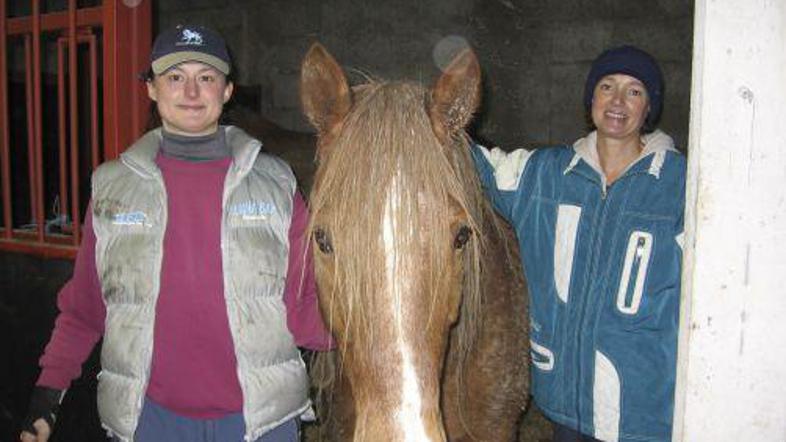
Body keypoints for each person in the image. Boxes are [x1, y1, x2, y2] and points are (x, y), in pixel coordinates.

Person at [20, 24, 332, 442]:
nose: (191, 91)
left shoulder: (276, 184)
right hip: (150, 420)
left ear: (227, 90)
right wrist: (47, 394)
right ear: (151, 88)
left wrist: (371, 329)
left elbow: (307, 306)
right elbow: (84, 308)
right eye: (174, 77)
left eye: (206, 77)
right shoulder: (113, 188)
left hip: (260, 423)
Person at [472, 45, 685, 441]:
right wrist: (425, 118)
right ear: (591, 99)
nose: (618, 101)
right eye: (607, 86)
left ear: (648, 107)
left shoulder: (681, 186)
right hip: (565, 405)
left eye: (634, 91)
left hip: (643, 413)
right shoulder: (546, 175)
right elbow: (479, 165)